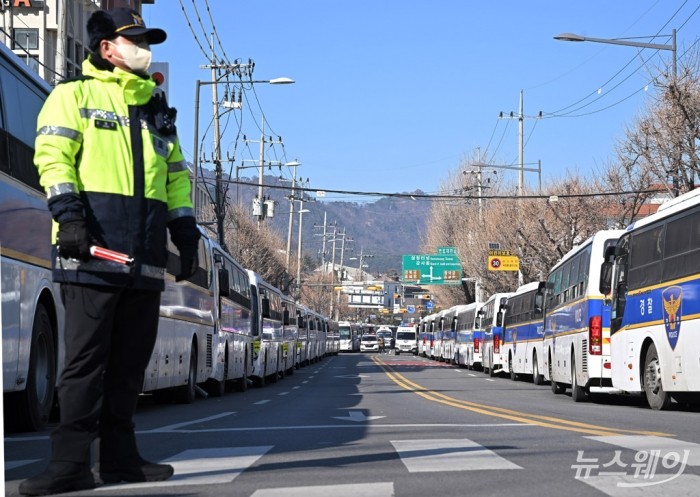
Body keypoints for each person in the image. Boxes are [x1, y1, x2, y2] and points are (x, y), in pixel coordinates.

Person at [20, 8, 200, 496]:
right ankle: (69, 463)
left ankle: (121, 460)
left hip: (144, 261)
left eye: (147, 41)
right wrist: (69, 216)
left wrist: (186, 234)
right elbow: (52, 157)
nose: (144, 48)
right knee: (84, 366)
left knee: (128, 368)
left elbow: (178, 179)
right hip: (91, 254)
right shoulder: (71, 96)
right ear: (107, 48)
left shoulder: (158, 111)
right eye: (135, 39)